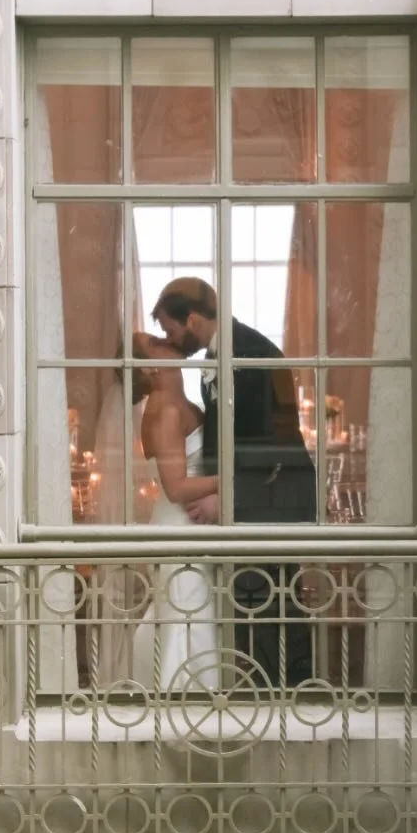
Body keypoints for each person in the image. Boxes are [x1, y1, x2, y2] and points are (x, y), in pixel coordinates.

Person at [151, 278, 315, 688]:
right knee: (253, 606)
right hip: (249, 499)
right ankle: (269, 699)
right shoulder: (217, 357)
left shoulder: (254, 352)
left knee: (267, 606)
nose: (171, 341)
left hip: (270, 499)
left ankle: (288, 704)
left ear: (192, 319)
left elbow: (268, 444)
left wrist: (227, 495)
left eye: (172, 331)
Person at [131, 332, 220, 691]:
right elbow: (176, 487)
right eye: (155, 342)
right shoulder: (166, 409)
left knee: (187, 610)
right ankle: (184, 701)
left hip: (191, 522)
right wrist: (229, 482)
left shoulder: (178, 402)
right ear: (151, 367)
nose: (165, 340)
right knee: (189, 614)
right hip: (182, 524)